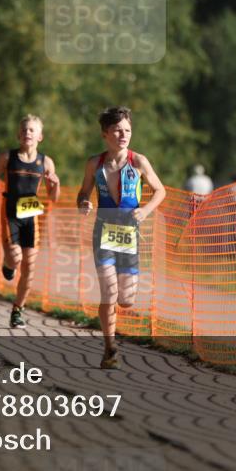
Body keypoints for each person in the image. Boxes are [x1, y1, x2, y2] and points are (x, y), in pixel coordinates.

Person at [77, 106, 165, 369]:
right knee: (109, 291)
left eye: (127, 130)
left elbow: (160, 191)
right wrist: (83, 203)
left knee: (125, 299)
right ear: (105, 134)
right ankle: (110, 347)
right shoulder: (95, 163)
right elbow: (83, 193)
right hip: (103, 232)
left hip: (128, 234)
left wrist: (146, 210)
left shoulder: (138, 161)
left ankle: (111, 324)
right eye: (117, 130)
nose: (123, 134)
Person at [0, 115, 60, 329]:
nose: (27, 133)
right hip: (10, 212)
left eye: (32, 130)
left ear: (40, 136)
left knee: (29, 266)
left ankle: (17, 310)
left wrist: (55, 184)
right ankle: (8, 264)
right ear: (18, 135)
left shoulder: (46, 162)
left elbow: (53, 197)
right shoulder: (7, 157)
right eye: (24, 130)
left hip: (31, 214)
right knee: (15, 258)